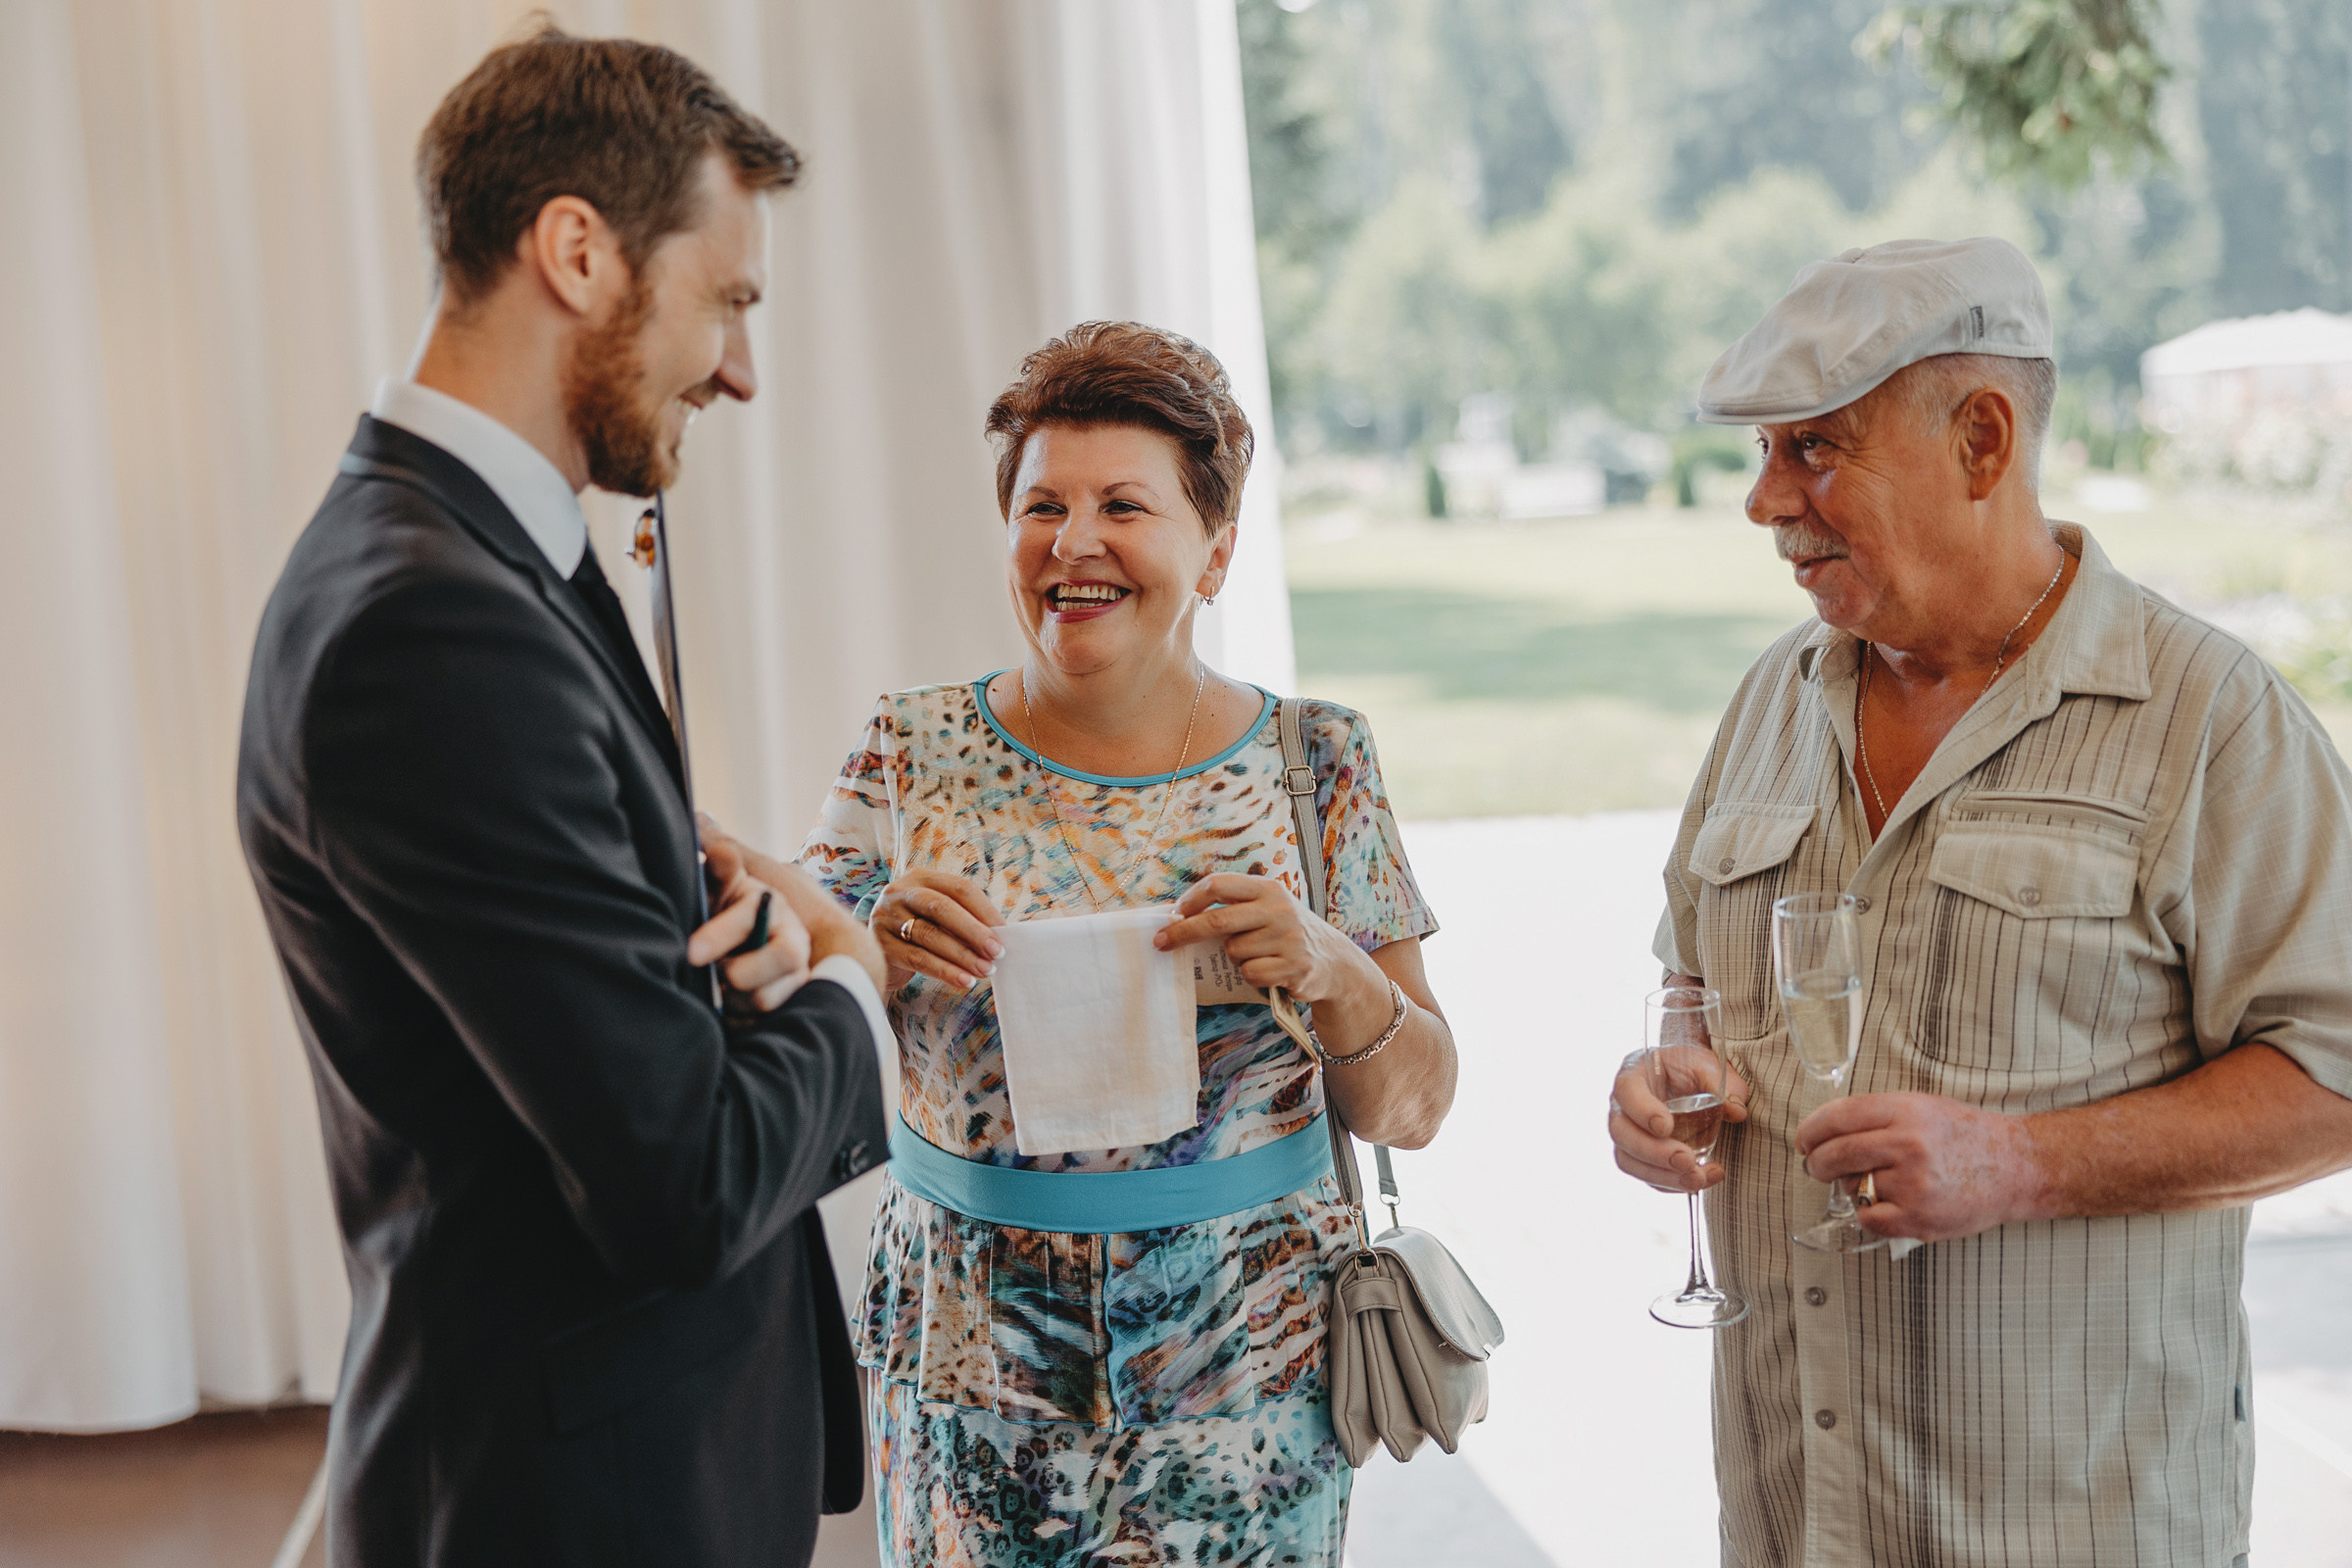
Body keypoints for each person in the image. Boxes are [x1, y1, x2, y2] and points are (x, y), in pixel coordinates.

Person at [236, 28, 894, 1567]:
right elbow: (682, 1184)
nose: (740, 367)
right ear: (580, 252)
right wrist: (853, 985)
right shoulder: (430, 626)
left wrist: (712, 924)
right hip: (573, 1508)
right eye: (728, 300)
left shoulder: (471, 555)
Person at [1605, 235, 2352, 1567]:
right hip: (1797, 1522)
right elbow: (1691, 972)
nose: (1765, 500)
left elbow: (2339, 1076)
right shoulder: (1774, 698)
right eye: (1764, 452)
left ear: (1984, 441)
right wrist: (1667, 1067)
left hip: (2080, 1530)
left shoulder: (2208, 718)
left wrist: (2023, 1164)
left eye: (1816, 448)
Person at [790, 320, 1457, 1566]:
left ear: (1215, 554)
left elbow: (1415, 1105)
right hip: (969, 1368)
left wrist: (1334, 968)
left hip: (1253, 1372)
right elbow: (776, 1022)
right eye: (1043, 504)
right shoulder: (908, 750)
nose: (1074, 542)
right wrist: (868, 952)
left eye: (1123, 506)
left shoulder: (1316, 761)